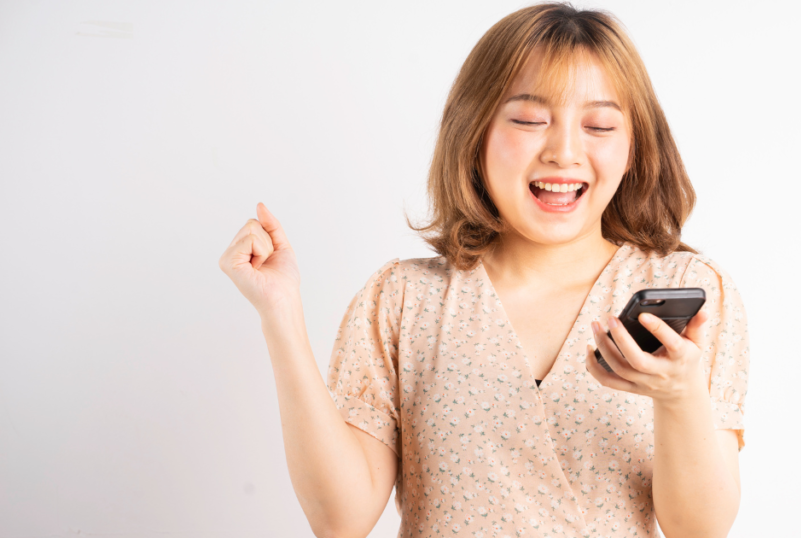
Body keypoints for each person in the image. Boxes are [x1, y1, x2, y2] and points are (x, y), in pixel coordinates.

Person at [219, 3, 750, 538]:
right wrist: (279, 313)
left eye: (599, 125)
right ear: (475, 134)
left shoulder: (689, 292)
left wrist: (679, 395)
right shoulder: (404, 299)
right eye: (528, 120)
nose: (565, 152)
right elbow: (340, 519)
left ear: (633, 147)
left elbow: (699, 529)